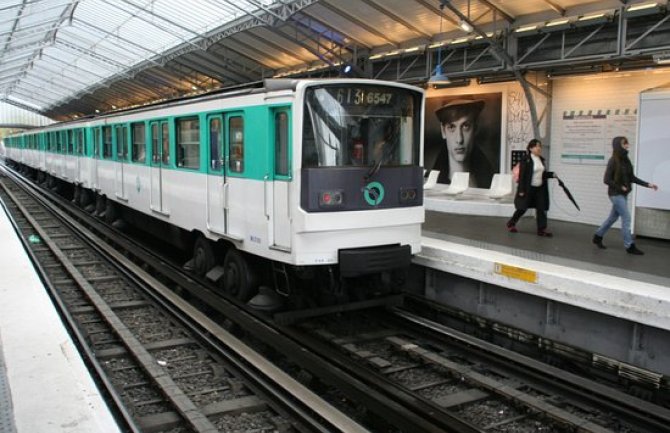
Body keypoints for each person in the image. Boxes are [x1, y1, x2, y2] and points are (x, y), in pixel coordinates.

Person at [592, 136, 658, 255]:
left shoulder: (626, 160)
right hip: (615, 194)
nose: (627, 145)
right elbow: (606, 179)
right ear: (618, 145)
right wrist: (620, 187)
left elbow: (632, 178)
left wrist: (648, 184)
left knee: (613, 217)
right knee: (626, 218)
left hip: (623, 194)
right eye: (624, 143)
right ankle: (629, 246)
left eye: (627, 143)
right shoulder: (613, 160)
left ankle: (598, 236)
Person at [433, 98, 495, 187]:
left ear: (475, 129)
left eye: (466, 126)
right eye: (451, 127)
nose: (459, 139)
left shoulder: (489, 181)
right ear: (443, 131)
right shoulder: (432, 182)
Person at [506, 139, 557, 236]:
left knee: (541, 209)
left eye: (540, 146)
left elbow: (542, 174)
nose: (539, 148)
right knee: (522, 208)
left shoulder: (541, 159)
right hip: (528, 189)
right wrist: (521, 190)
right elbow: (522, 176)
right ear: (530, 148)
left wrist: (551, 174)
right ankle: (511, 223)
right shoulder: (526, 159)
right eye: (536, 146)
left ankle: (541, 229)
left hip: (540, 189)